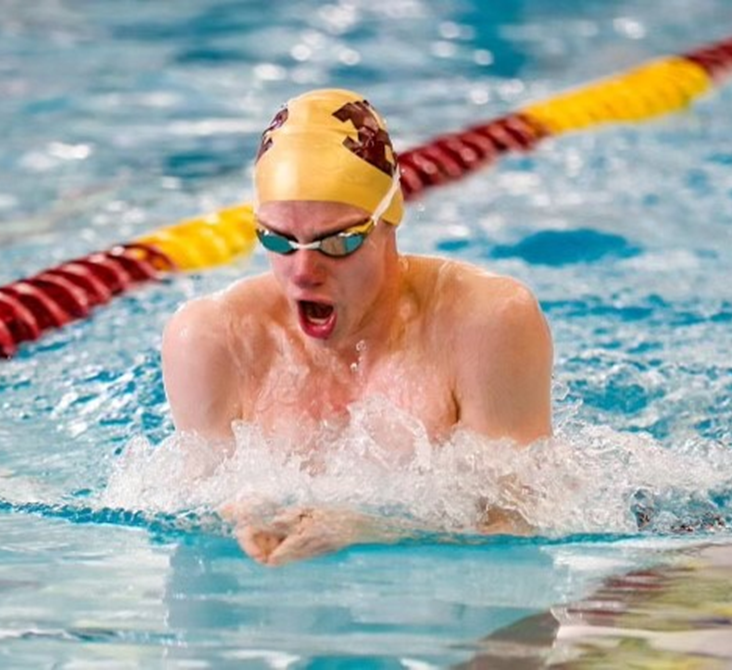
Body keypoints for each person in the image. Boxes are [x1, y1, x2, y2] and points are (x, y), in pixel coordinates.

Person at [161, 88, 553, 566]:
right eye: (277, 239)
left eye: (339, 241)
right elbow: (187, 535)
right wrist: (233, 518)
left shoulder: (485, 322)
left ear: (388, 220)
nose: (303, 270)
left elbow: (521, 523)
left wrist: (376, 527)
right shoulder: (212, 340)